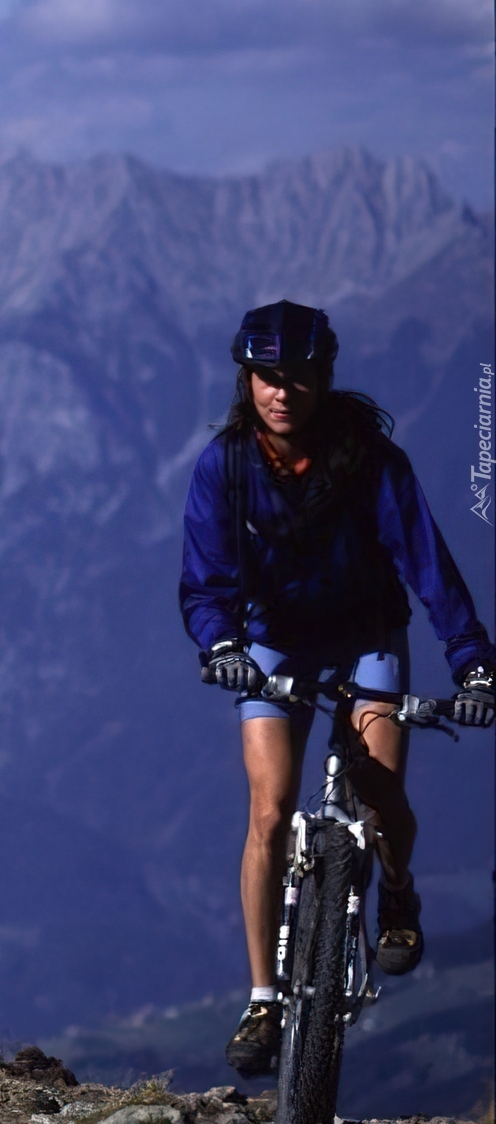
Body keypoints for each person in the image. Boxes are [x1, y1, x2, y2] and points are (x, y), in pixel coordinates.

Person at [179, 299, 495, 1078]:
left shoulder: (372, 461)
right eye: (265, 377)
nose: (281, 392)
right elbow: (205, 581)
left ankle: (398, 892)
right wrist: (219, 643)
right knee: (268, 811)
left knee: (380, 793)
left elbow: (429, 565)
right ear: (246, 378)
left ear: (322, 379)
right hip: (271, 641)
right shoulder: (224, 466)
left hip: (365, 638)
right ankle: (262, 998)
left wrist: (472, 659)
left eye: (296, 378)